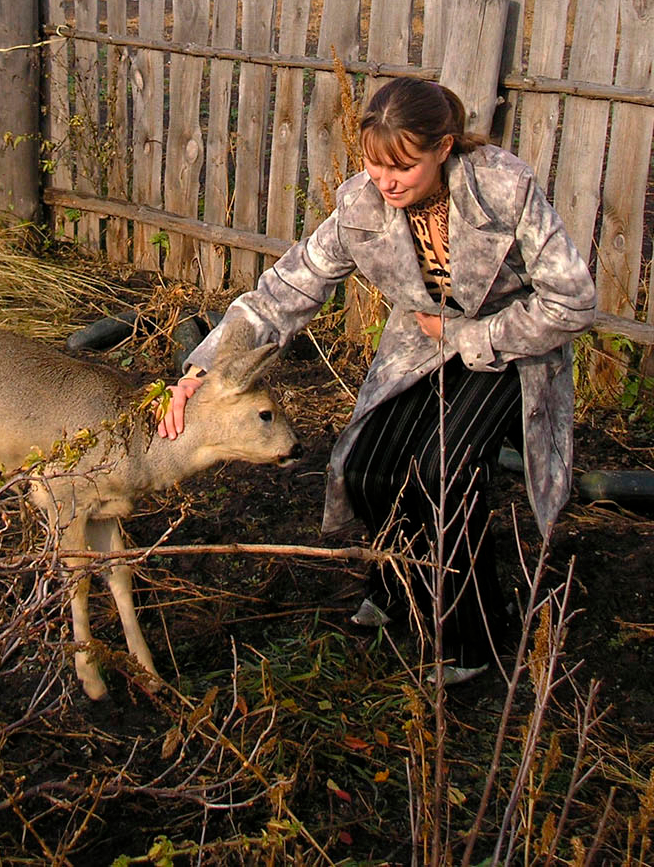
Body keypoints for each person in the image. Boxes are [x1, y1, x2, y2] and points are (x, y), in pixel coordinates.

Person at [159, 76, 596, 684]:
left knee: (444, 471)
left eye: (404, 167)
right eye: (374, 163)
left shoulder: (503, 187)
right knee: (367, 466)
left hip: (512, 347)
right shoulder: (361, 205)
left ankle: (478, 637)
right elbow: (289, 288)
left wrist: (472, 338)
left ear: (444, 148)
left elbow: (572, 303)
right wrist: (204, 372)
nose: (386, 181)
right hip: (421, 345)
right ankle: (400, 589)